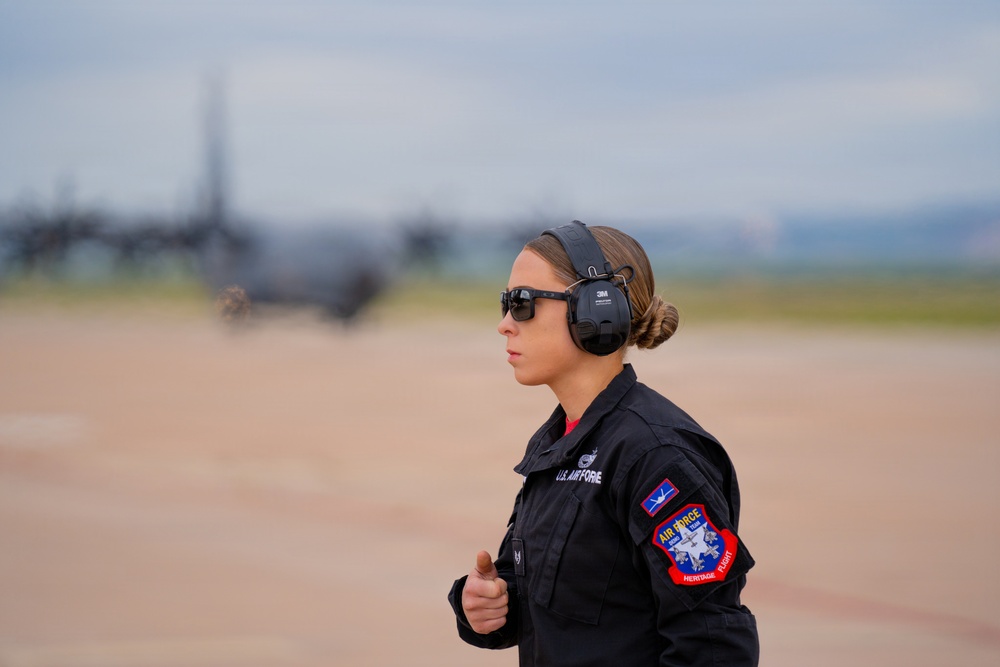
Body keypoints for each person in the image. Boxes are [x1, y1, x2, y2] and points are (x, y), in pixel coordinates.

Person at [447, 220, 759, 666]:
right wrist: (495, 603)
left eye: (522, 303)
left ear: (597, 310)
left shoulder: (656, 456)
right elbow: (581, 606)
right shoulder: (562, 441)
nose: (503, 325)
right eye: (505, 303)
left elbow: (713, 643)